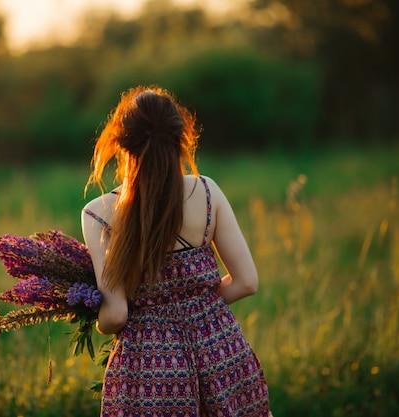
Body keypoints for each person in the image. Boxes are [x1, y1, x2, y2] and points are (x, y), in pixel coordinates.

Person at [82, 85, 271, 417]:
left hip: (152, 373)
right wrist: (197, 307)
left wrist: (94, 319)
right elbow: (247, 281)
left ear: (121, 144)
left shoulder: (98, 214)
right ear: (181, 137)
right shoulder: (207, 191)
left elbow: (116, 315)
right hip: (222, 353)